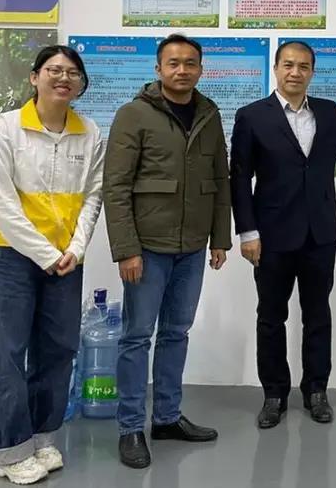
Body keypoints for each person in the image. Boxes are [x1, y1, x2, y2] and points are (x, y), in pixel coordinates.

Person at [230, 41, 336, 429]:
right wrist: (248, 232)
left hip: (320, 234)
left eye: (303, 66)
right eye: (288, 65)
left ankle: (316, 391)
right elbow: (239, 177)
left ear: (312, 72)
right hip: (270, 235)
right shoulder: (252, 116)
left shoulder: (327, 111)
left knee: (318, 314)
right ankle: (274, 395)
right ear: (276, 68)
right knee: (271, 316)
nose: (295, 72)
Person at [103, 34, 231, 469]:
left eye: (190, 63)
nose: (182, 70)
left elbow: (220, 180)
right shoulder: (133, 114)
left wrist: (220, 238)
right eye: (173, 63)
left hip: (192, 247)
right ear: (158, 69)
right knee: (137, 337)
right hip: (147, 248)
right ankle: (130, 427)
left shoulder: (209, 113)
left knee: (177, 333)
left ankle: (167, 418)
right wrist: (126, 249)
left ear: (201, 69)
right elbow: (116, 186)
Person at [0, 45, 104, 485]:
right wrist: (47, 254)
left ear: (81, 84)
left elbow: (93, 196)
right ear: (35, 78)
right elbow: (1, 202)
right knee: (7, 355)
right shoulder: (7, 128)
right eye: (54, 70)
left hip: (65, 262)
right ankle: (8, 451)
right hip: (10, 259)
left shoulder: (89, 132)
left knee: (59, 350)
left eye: (72, 72)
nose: (63, 78)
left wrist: (77, 248)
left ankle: (41, 438)